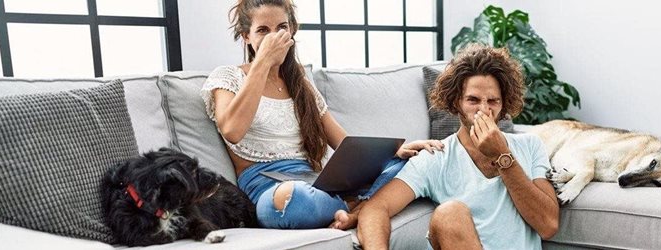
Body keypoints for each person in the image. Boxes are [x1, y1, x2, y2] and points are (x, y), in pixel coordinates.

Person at [201, 0, 443, 230]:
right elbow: (232, 131)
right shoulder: (228, 77)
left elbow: (345, 144)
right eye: (263, 30)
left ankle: (355, 206)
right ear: (246, 37)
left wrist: (394, 153)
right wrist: (263, 62)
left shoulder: (300, 83)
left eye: (282, 28)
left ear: (292, 31)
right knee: (294, 200)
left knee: (417, 162)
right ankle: (359, 206)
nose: (274, 38)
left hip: (317, 180)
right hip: (270, 189)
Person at [356, 44, 560, 250]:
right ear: (456, 103)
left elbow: (548, 225)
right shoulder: (435, 156)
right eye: (473, 100)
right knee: (449, 214)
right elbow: (375, 209)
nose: (483, 110)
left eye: (492, 101)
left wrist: (502, 156)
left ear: (503, 104)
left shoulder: (530, 145)